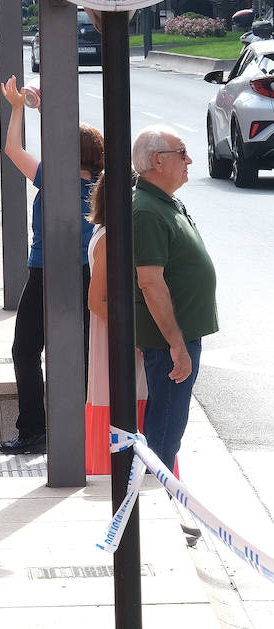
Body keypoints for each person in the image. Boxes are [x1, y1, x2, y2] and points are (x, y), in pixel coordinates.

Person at [0, 77, 103, 455]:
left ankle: (34, 431)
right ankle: (88, 429)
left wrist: (17, 109)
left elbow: (12, 148)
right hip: (92, 275)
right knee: (88, 353)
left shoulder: (50, 178)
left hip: (44, 273)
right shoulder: (103, 188)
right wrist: (42, 109)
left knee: (26, 349)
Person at [131, 125, 216, 471]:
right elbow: (151, 283)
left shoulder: (161, 202)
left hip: (176, 338)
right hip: (169, 342)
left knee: (169, 425)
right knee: (165, 429)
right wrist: (176, 343)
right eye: (182, 153)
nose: (190, 160)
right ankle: (157, 501)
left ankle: (159, 494)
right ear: (157, 161)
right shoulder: (147, 211)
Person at [83, 172, 148, 475]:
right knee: (128, 405)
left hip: (115, 341)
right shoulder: (110, 237)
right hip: (118, 345)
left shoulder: (104, 231)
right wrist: (132, 336)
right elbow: (96, 301)